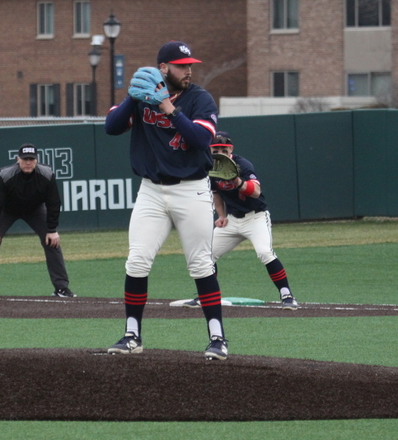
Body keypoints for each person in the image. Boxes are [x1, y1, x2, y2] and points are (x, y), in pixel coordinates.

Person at [104, 40, 228, 360]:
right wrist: (134, 98)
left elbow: (201, 138)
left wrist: (167, 108)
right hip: (152, 191)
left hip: (192, 190)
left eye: (189, 66)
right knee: (137, 261)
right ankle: (132, 335)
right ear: (163, 68)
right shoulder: (143, 98)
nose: (188, 71)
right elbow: (111, 127)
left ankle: (217, 339)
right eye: (181, 66)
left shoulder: (199, 98)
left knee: (200, 265)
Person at [176, 133, 298, 309]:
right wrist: (221, 215)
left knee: (265, 252)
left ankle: (287, 295)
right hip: (232, 220)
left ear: (231, 149)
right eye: (215, 149)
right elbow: (216, 193)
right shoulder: (209, 166)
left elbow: (256, 192)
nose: (220, 152)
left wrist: (237, 180)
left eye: (223, 149)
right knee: (206, 255)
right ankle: (206, 296)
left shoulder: (242, 165)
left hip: (255, 217)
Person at [0, 143, 75, 299]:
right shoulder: (6, 175)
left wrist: (52, 230)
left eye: (31, 159)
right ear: (18, 159)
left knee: (52, 242)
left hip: (35, 210)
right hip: (8, 210)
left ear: (36, 160)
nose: (28, 162)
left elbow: (54, 203)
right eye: (25, 159)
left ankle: (61, 288)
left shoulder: (46, 174)